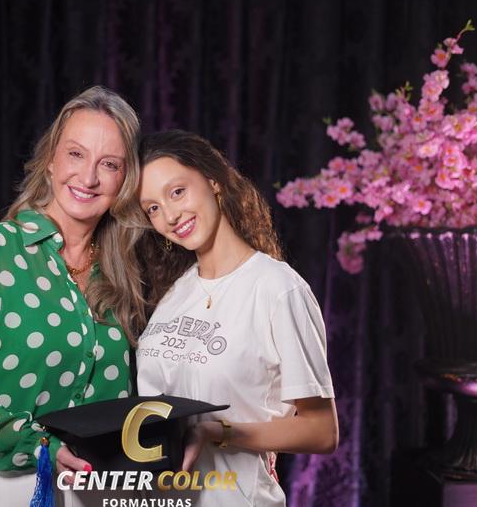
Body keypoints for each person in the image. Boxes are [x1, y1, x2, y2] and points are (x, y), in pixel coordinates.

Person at [0, 85, 145, 506]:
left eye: (109, 164)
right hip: (0, 486)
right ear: (51, 161)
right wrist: (42, 447)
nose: (89, 177)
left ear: (125, 179)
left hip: (95, 491)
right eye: (76, 154)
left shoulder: (123, 274)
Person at [136, 130, 338, 507]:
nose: (170, 216)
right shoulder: (173, 294)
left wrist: (218, 432)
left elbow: (322, 431)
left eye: (177, 192)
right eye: (153, 208)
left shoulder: (278, 289)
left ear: (213, 181)